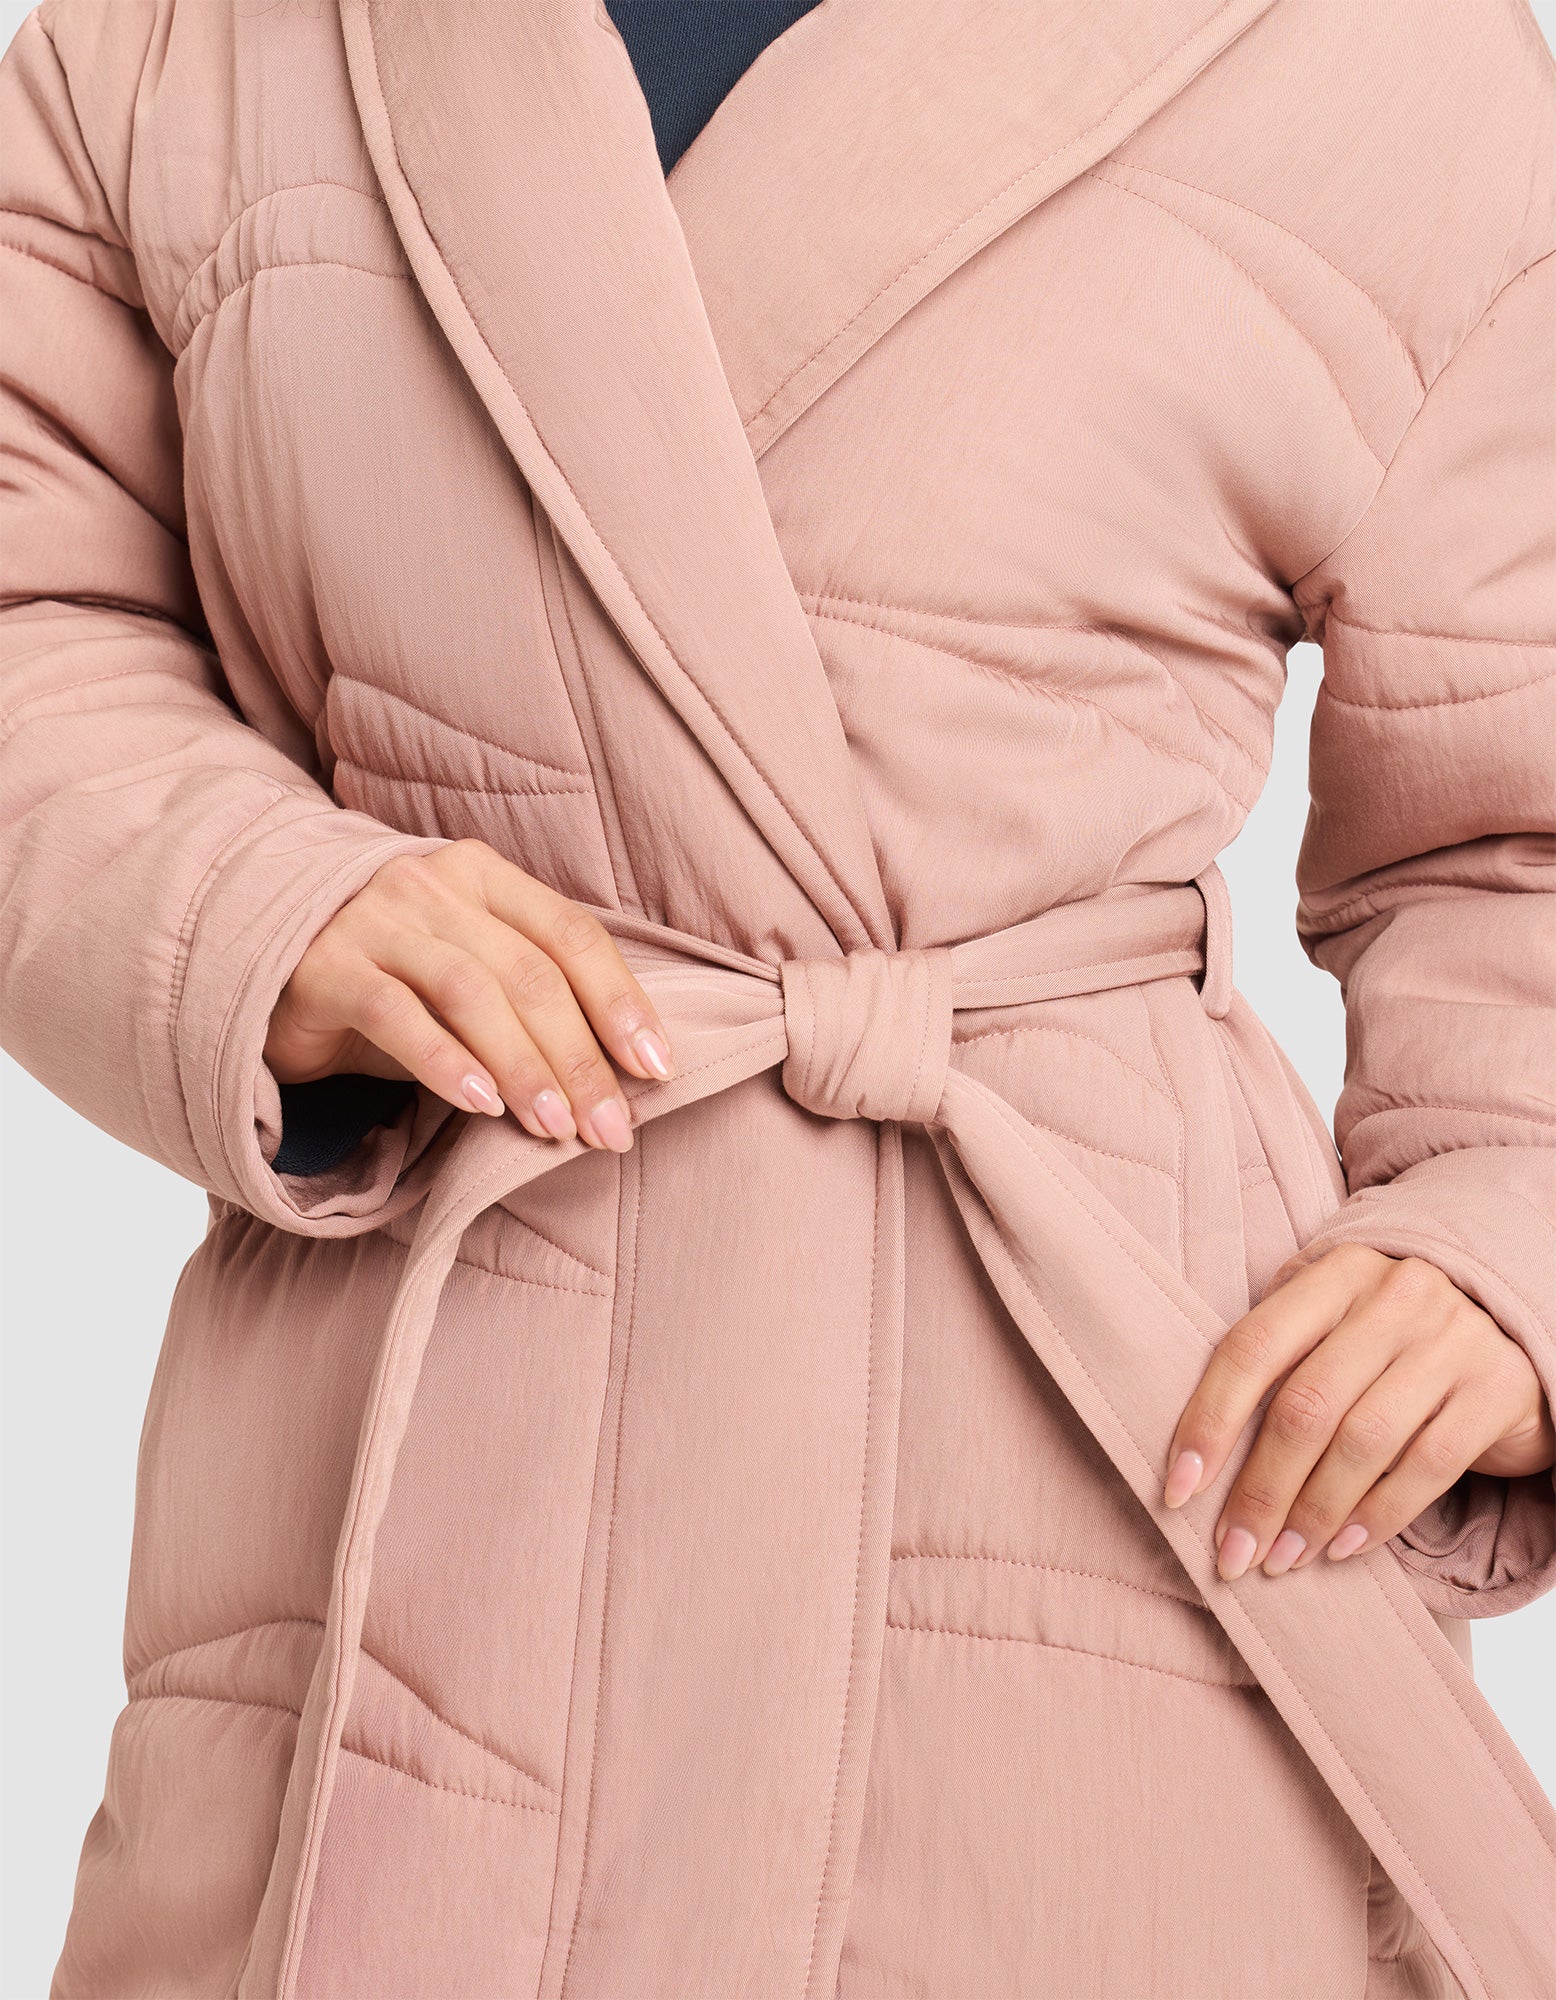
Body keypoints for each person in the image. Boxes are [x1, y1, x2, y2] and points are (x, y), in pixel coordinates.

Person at [2, 1, 1553, 1995]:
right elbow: (39, 612)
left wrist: (1505, 1231)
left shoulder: (1387, 53)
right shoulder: (186, 37)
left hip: (1109, 1437)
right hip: (415, 1426)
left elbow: (1509, 822)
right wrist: (244, 900)